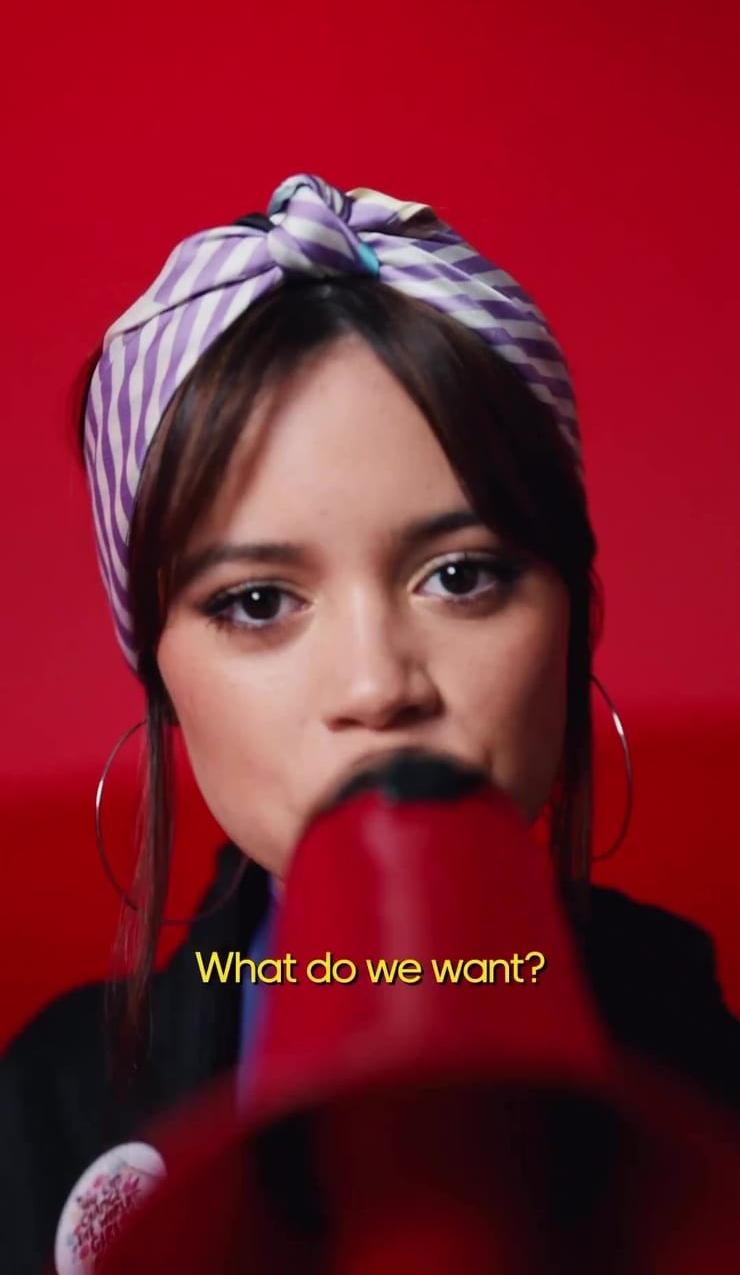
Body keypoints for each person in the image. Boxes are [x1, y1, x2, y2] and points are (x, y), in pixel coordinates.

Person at [1, 173, 738, 1275]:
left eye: (461, 575)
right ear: (156, 668)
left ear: (576, 618)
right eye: (258, 600)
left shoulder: (702, 1077)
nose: (378, 682)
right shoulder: (47, 1113)